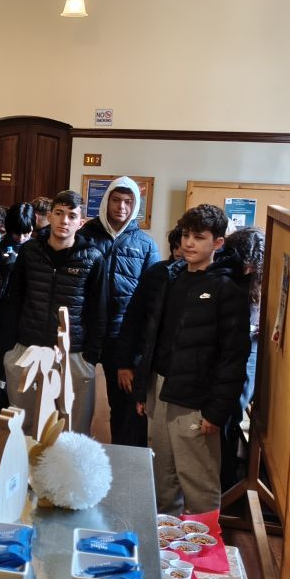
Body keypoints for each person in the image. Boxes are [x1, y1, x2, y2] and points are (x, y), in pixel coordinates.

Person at [115, 205, 250, 515]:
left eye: (199, 237)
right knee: (162, 481)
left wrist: (216, 412)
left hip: (196, 399)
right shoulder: (171, 278)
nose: (189, 243)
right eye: (186, 235)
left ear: (218, 243)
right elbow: (153, 338)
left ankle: (204, 544)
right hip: (159, 388)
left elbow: (233, 357)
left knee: (198, 485)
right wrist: (143, 390)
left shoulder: (228, 289)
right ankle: (166, 541)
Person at [3, 190, 105, 436]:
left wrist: (90, 356)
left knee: (72, 429)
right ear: (49, 216)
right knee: (24, 427)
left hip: (73, 353)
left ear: (81, 222)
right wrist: (9, 348)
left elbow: (99, 310)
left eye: (72, 216)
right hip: (28, 348)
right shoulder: (30, 251)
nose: (64, 221)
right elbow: (14, 300)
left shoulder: (93, 258)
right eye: (59, 213)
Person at [78, 177, 160, 447]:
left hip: (122, 336)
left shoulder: (146, 244)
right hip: (86, 333)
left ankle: (123, 463)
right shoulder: (85, 236)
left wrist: (136, 348)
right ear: (106, 201)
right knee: (75, 404)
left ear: (135, 205)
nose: (121, 207)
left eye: (128, 202)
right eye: (116, 200)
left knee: (125, 409)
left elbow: (151, 299)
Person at [220, 226, 264, 490]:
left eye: (253, 265)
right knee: (225, 412)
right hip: (225, 347)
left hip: (251, 349)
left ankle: (227, 479)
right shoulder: (227, 274)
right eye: (244, 263)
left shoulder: (263, 281)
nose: (247, 269)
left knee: (234, 408)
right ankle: (224, 475)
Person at [0, 202, 34, 418]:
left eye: (26, 233)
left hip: (28, 321)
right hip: (1, 321)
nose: (21, 238)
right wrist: (8, 271)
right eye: (16, 233)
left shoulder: (37, 250)